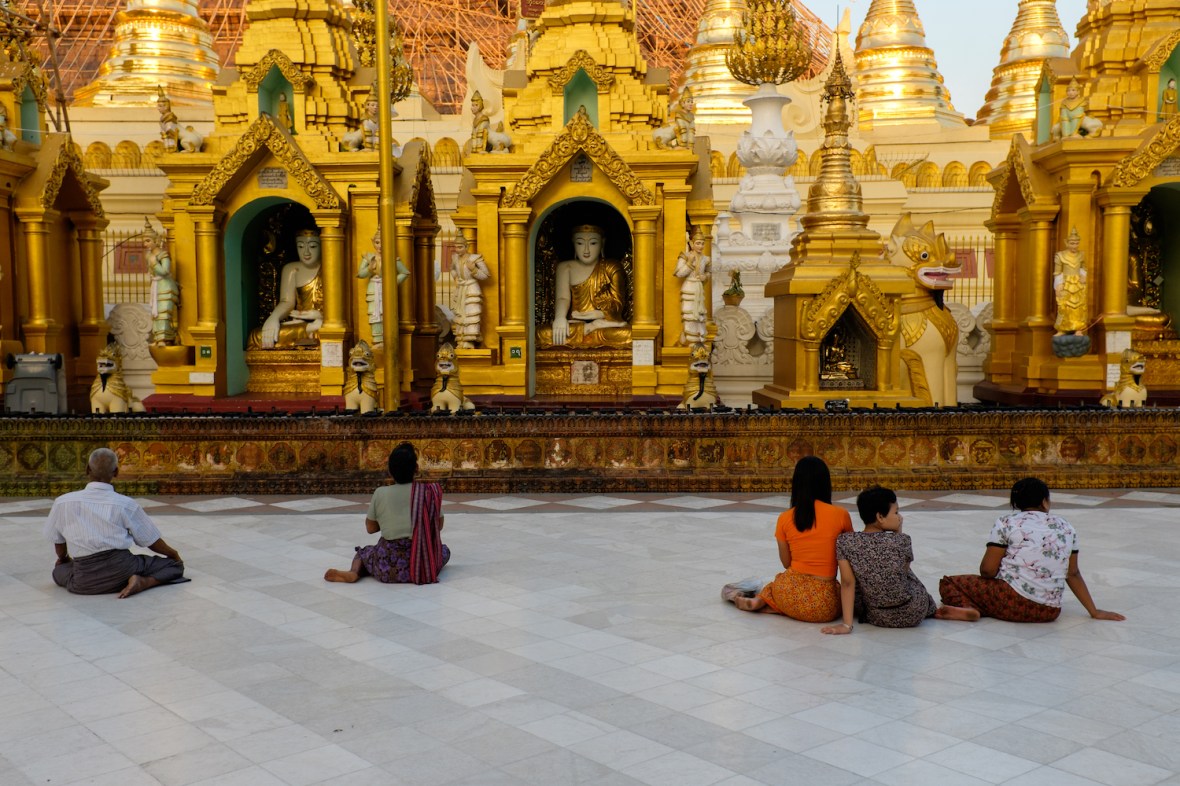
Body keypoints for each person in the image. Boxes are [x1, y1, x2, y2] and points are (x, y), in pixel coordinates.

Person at [939, 477, 1124, 623]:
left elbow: (987, 571)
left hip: (1011, 603)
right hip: (1049, 612)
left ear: (1016, 503)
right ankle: (980, 607)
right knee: (991, 592)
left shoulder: (1006, 522)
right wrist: (1094, 611)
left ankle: (971, 609)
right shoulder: (1066, 526)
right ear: (1045, 501)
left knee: (950, 584)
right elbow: (1072, 573)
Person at [821, 486, 979, 635]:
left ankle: (934, 611)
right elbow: (902, 574)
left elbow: (847, 583)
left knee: (858, 581)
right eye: (896, 512)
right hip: (914, 611)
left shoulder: (845, 541)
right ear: (880, 517)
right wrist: (899, 534)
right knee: (906, 573)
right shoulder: (903, 540)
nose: (900, 518)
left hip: (877, 615)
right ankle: (934, 610)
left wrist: (846, 625)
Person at [44, 448, 185, 598]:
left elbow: (58, 541)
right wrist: (174, 554)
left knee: (58, 571)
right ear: (116, 472)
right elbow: (151, 540)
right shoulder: (125, 504)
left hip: (84, 579)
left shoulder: (62, 502)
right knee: (174, 566)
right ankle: (144, 582)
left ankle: (110, 582)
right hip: (123, 569)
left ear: (87, 469)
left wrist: (64, 559)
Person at [728, 456, 852, 622]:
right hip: (823, 604)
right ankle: (766, 604)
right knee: (840, 593)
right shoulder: (841, 515)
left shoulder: (785, 518)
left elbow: (786, 563)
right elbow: (851, 557)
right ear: (825, 483)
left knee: (774, 585)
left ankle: (761, 601)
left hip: (787, 593)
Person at [324, 442, 450, 584]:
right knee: (444, 550)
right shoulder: (428, 493)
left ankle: (354, 572)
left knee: (364, 552)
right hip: (422, 565)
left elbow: (370, 528)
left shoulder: (380, 493)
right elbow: (438, 525)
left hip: (387, 567)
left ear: (390, 470)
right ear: (416, 468)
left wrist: (389, 522)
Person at [539, 224, 631, 347]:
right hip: (575, 324)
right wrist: (560, 318)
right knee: (542, 333)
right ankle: (590, 328)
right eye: (580, 243)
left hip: (605, 322)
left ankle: (594, 326)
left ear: (602, 243)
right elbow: (563, 298)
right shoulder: (565, 267)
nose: (586, 250)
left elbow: (618, 303)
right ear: (573, 243)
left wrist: (599, 314)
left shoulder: (612, 267)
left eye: (593, 243)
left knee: (629, 335)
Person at [248, 227, 324, 349]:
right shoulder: (292, 269)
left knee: (326, 330)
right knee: (256, 336)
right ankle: (309, 331)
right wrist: (273, 318)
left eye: (313, 246)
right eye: (300, 246)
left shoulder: (330, 267)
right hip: (300, 323)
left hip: (325, 324)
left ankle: (313, 329)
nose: (306, 252)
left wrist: (319, 315)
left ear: (322, 246)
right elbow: (287, 302)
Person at [356, 228, 409, 345]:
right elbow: (360, 274)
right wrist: (370, 268)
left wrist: (391, 282)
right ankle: (377, 341)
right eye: (377, 242)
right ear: (373, 242)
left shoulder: (392, 258)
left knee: (388, 314)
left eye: (383, 243)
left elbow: (405, 273)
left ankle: (389, 342)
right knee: (374, 315)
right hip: (373, 290)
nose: (380, 246)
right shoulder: (369, 258)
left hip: (387, 290)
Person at [450, 233, 490, 348]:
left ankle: (470, 340)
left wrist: (473, 270)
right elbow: (452, 269)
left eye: (460, 247)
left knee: (471, 314)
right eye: (456, 247)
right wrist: (456, 277)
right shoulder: (455, 258)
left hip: (472, 288)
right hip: (461, 288)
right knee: (460, 315)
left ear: (466, 247)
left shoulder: (475, 258)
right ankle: (461, 340)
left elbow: (486, 275)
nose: (457, 250)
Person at [675, 228, 710, 345]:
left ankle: (699, 340)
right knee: (689, 314)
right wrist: (689, 263)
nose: (700, 246)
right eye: (698, 243)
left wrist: (705, 276)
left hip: (699, 289)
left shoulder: (706, 259)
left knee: (700, 315)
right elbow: (679, 273)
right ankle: (689, 339)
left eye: (702, 243)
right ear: (691, 243)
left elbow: (709, 272)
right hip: (689, 288)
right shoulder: (685, 256)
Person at [146, 220, 179, 345]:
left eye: (148, 241)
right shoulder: (149, 256)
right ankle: (158, 337)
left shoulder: (163, 255)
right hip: (156, 286)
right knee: (156, 314)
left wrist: (154, 263)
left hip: (166, 286)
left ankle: (164, 338)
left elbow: (165, 271)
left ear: (156, 241)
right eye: (144, 241)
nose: (145, 244)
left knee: (164, 313)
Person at [1053, 227, 1087, 335]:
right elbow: (1057, 272)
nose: (1074, 246)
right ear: (1066, 243)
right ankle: (1062, 328)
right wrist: (1059, 284)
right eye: (1072, 243)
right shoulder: (1060, 256)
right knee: (1064, 307)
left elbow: (1083, 268)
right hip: (1066, 283)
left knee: (1079, 306)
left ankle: (1078, 328)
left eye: (1076, 243)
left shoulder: (1081, 255)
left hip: (1078, 283)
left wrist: (1083, 276)